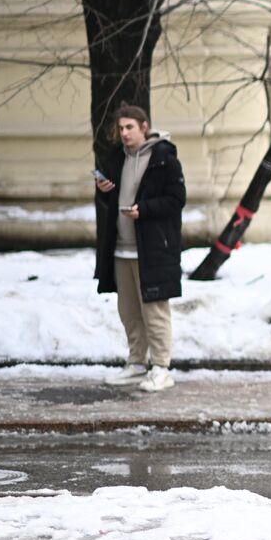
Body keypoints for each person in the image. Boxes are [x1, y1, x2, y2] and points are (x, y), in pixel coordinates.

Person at [94, 105, 187, 392]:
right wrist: (103, 188)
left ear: (144, 127)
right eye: (120, 128)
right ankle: (136, 363)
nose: (123, 134)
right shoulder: (117, 157)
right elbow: (110, 198)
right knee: (129, 311)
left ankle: (161, 368)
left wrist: (143, 210)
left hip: (153, 249)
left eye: (129, 128)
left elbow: (177, 199)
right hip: (121, 249)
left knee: (155, 311)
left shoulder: (164, 158)